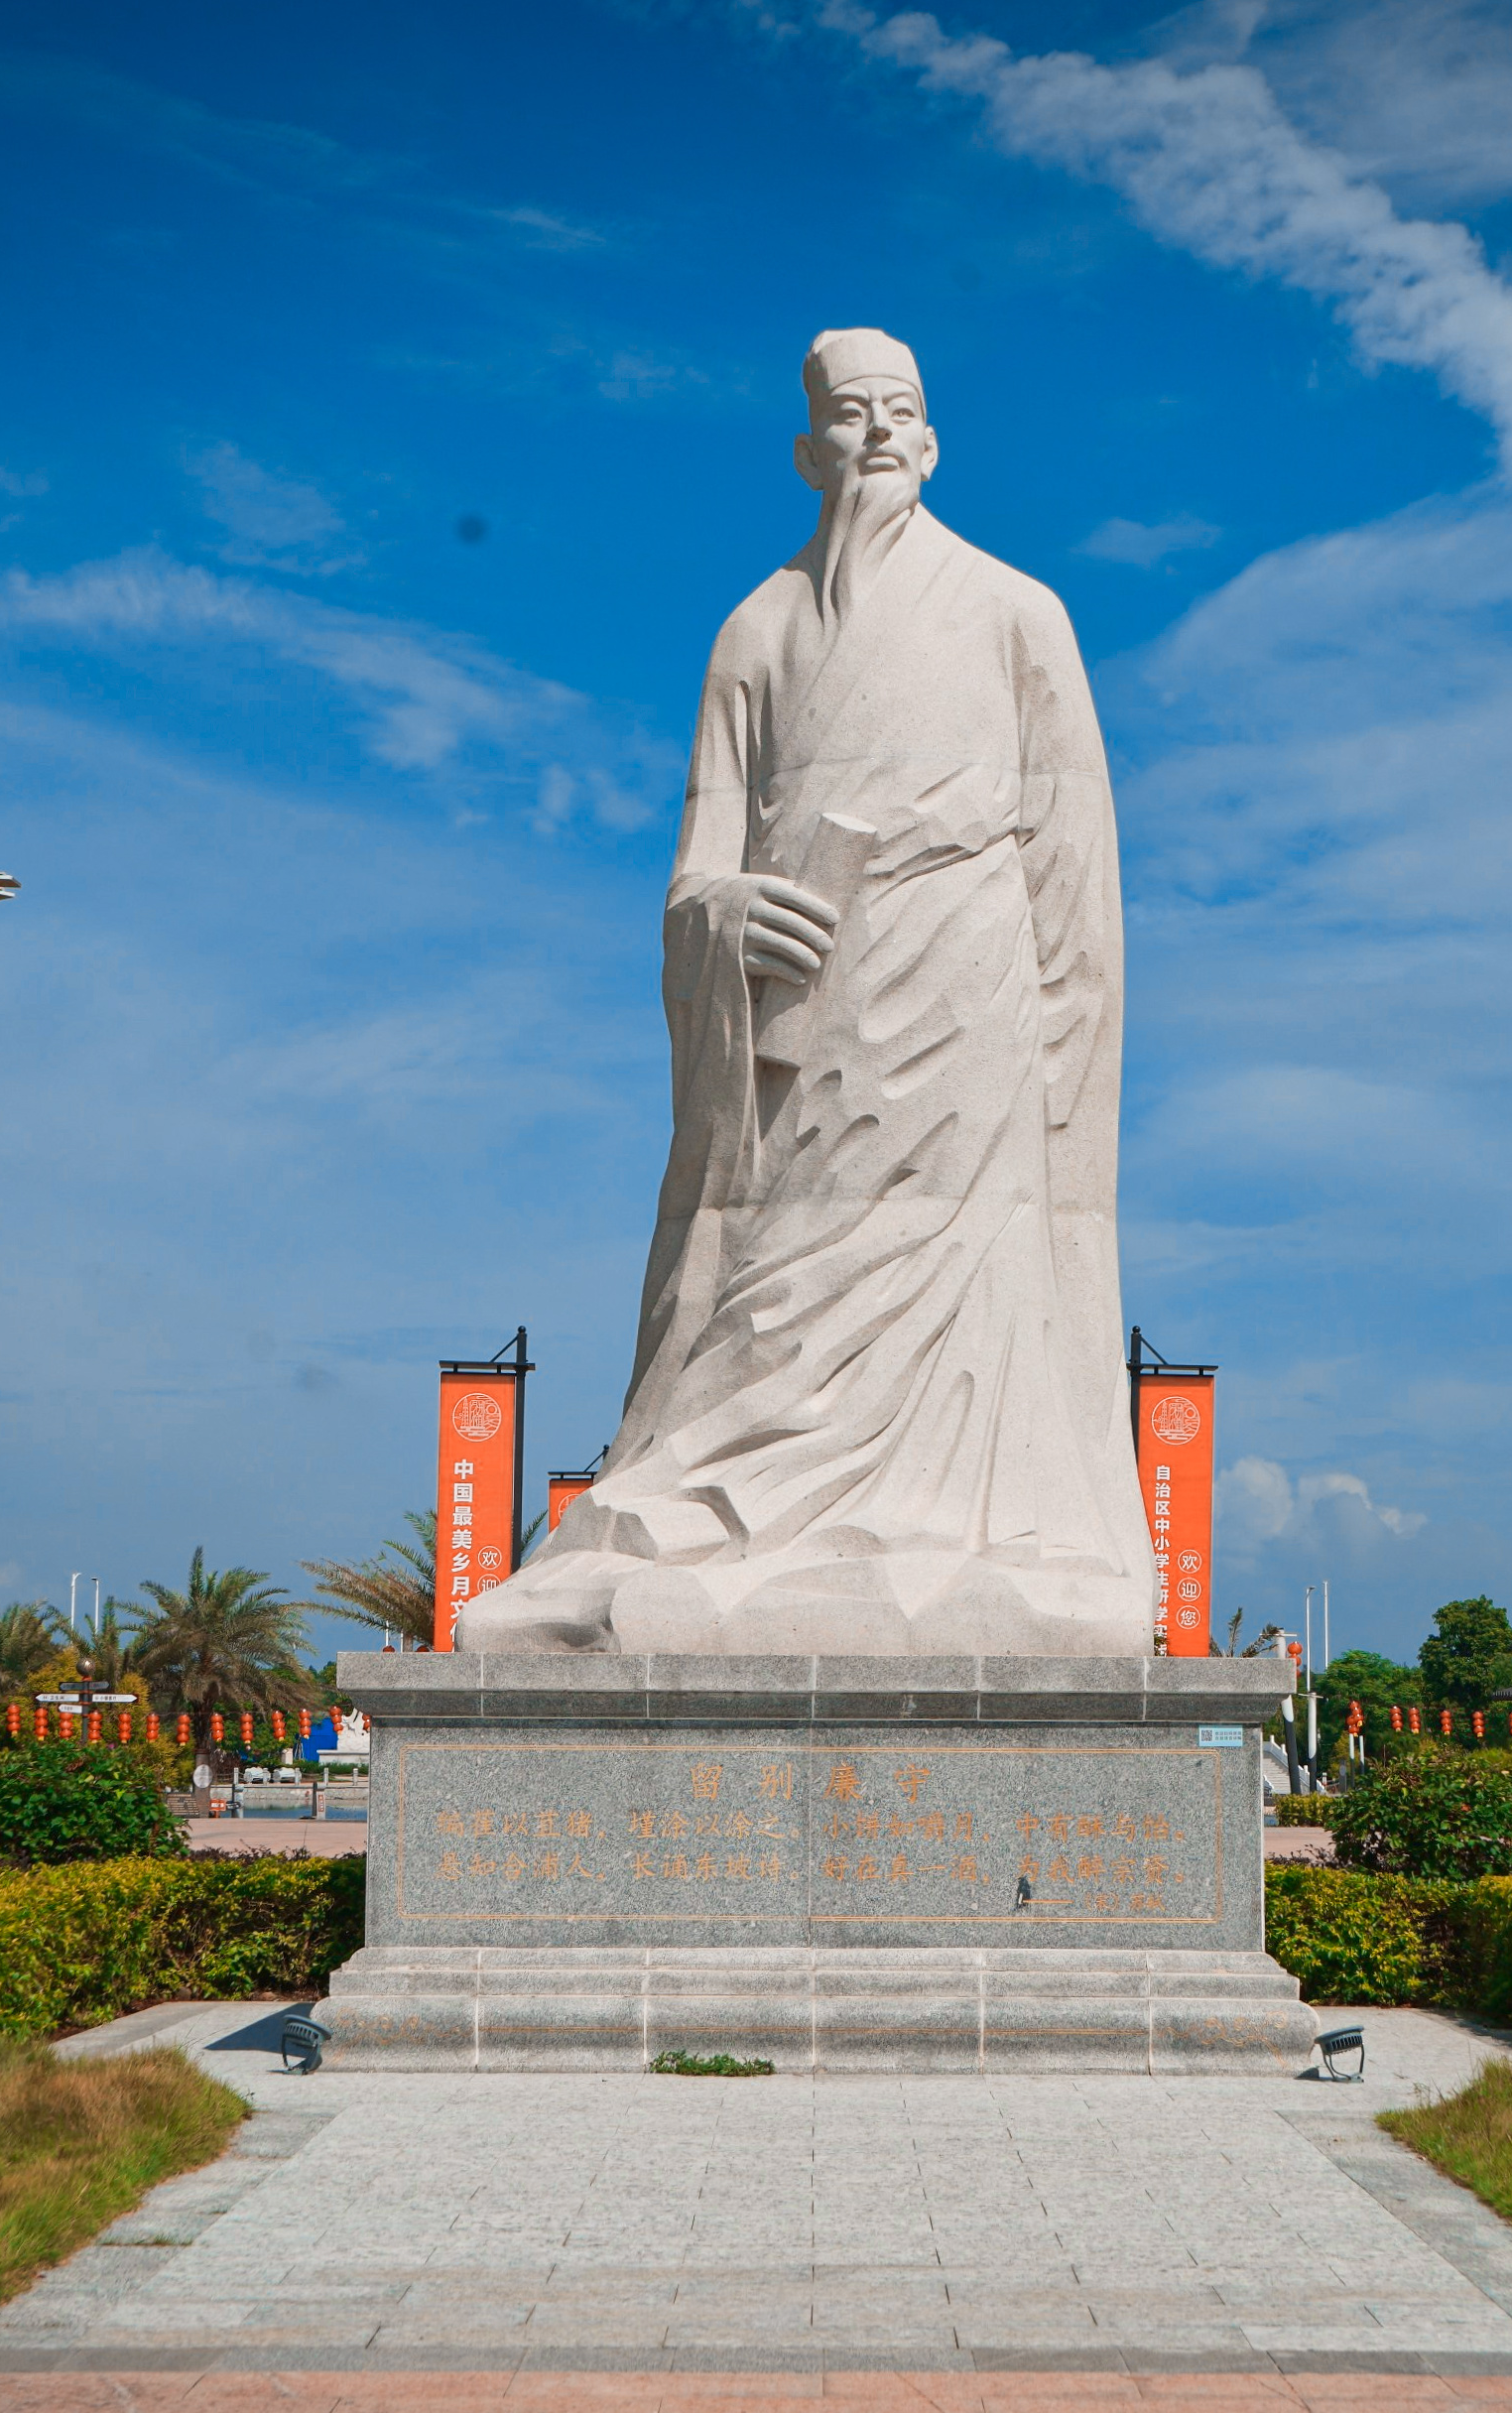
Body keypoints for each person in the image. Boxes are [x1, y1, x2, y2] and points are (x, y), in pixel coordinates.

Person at [457, 329, 1147, 1655]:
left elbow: (1076, 872)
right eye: (849, 416)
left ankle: (960, 1522)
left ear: (932, 441)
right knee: (769, 1280)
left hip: (968, 1001)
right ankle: (739, 1508)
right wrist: (721, 917)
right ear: (806, 450)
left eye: (901, 412)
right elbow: (694, 873)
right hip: (799, 1019)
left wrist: (1062, 1051)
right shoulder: (756, 635)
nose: (878, 433)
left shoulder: (1018, 614)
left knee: (958, 1267)